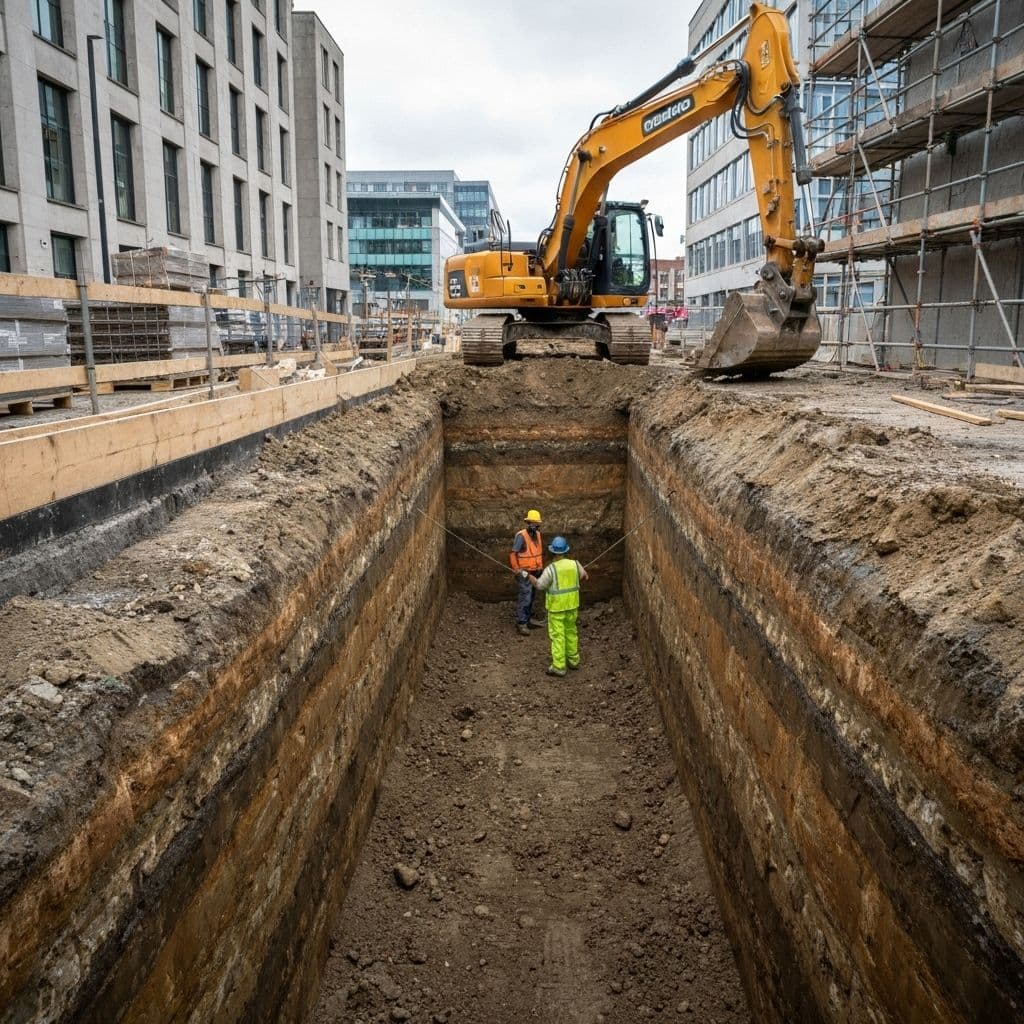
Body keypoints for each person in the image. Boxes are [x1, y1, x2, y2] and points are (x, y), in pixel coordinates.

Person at [523, 536, 589, 677]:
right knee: (571, 632)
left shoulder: (550, 569)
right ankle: (573, 661)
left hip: (557, 609)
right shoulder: (575, 564)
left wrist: (527, 575)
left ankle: (559, 666)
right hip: (572, 606)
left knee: (558, 636)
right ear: (566, 550)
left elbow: (540, 585)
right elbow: (585, 576)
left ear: (553, 552)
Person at [510, 509, 545, 636]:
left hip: (535, 571)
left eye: (536, 523)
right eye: (532, 523)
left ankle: (528, 619)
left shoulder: (538, 535)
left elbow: (538, 553)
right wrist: (517, 569)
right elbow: (513, 554)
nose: (534, 525)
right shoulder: (521, 536)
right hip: (524, 573)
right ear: (528, 522)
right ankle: (522, 623)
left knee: (532, 596)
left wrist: (540, 568)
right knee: (526, 595)